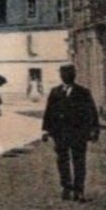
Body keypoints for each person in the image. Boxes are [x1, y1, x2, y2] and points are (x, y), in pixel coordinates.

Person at [41, 64, 100, 201]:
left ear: (74, 75)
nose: (66, 76)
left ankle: (79, 190)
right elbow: (49, 112)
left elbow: (92, 112)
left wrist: (94, 130)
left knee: (79, 161)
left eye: (69, 73)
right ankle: (66, 187)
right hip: (59, 133)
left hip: (78, 133)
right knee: (62, 160)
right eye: (64, 73)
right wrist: (45, 130)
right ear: (61, 75)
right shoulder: (55, 92)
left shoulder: (83, 92)